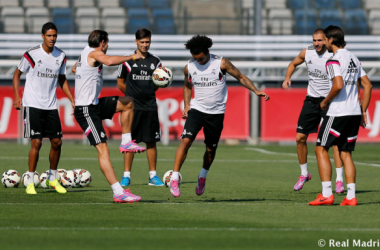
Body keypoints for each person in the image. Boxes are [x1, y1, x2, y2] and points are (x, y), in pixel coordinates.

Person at [169, 35, 270, 197]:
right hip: (197, 110)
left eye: (201, 58)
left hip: (216, 114)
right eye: (196, 59)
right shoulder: (189, 67)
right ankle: (174, 178)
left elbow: (241, 77)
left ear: (207, 51)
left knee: (210, 150)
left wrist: (256, 90)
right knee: (186, 141)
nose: (199, 61)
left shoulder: (221, 63)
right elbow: (187, 86)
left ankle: (202, 176)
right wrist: (187, 105)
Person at [72, 30, 146, 203]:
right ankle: (118, 191)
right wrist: (131, 57)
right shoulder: (95, 53)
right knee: (103, 150)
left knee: (128, 102)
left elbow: (75, 68)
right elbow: (111, 61)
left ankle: (126, 140)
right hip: (86, 110)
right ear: (103, 42)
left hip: (94, 104)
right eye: (108, 43)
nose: (108, 46)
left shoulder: (85, 52)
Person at [309, 25, 372, 206]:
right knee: (346, 153)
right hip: (353, 112)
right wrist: (363, 110)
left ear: (330, 40)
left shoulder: (333, 60)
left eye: (325, 39)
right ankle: (351, 196)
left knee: (320, 148)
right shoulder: (353, 57)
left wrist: (325, 102)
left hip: (338, 112)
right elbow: (367, 85)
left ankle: (327, 194)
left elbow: (337, 85)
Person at [12, 22, 74, 195]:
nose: (52, 38)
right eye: (49, 35)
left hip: (51, 105)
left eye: (54, 35)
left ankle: (52, 178)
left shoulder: (61, 56)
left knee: (57, 142)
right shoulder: (31, 54)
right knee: (37, 142)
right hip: (32, 103)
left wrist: (72, 99)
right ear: (42, 36)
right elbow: (17, 74)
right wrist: (17, 96)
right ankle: (30, 181)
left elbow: (62, 79)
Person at [283, 29, 345, 193]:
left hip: (330, 102)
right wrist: (287, 77)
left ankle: (339, 180)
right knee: (300, 138)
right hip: (311, 100)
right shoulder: (307, 52)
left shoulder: (334, 55)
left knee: (333, 143)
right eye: (314, 40)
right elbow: (293, 64)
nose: (316, 43)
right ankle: (304, 174)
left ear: (326, 40)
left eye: (319, 40)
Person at [117, 28, 165, 187]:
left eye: (148, 42)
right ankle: (126, 176)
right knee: (130, 141)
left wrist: (148, 92)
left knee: (151, 142)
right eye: (142, 42)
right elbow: (120, 83)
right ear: (136, 41)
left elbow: (158, 82)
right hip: (132, 108)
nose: (145, 45)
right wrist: (131, 96)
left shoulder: (156, 62)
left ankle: (153, 176)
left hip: (150, 106)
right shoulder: (127, 61)